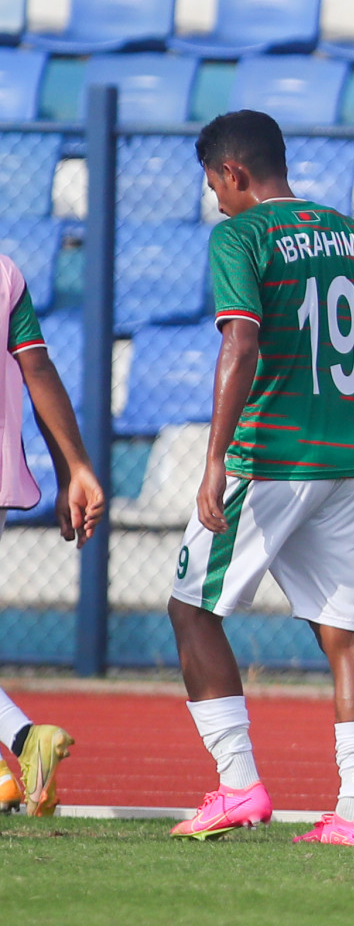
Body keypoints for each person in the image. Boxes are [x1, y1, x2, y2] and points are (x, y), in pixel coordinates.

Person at [166, 111, 354, 847]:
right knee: (347, 637)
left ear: (233, 173)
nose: (217, 201)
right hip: (352, 464)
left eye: (214, 185)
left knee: (192, 609)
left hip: (269, 459)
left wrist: (213, 457)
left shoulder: (241, 234)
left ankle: (237, 785)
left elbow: (242, 341)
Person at [0, 252, 104, 816]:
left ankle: (20, 747)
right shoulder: (5, 273)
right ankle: (16, 755)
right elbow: (36, 367)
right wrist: (74, 467)